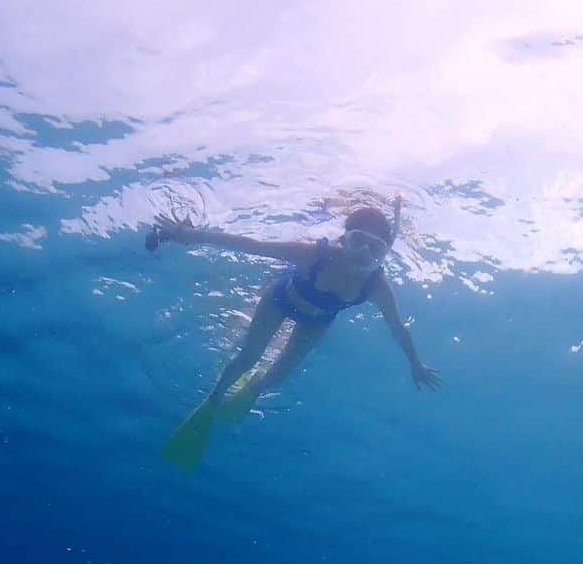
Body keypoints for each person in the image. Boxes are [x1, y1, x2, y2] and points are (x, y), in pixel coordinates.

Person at [151, 195, 441, 470]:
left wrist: (415, 362)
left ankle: (250, 391)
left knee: (277, 377)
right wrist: (190, 235)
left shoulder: (376, 285)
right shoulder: (315, 254)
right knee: (249, 358)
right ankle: (214, 399)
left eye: (375, 248)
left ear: (382, 255)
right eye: (358, 241)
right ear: (344, 238)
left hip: (317, 321)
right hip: (281, 300)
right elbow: (250, 245)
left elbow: (397, 326)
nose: (364, 253)